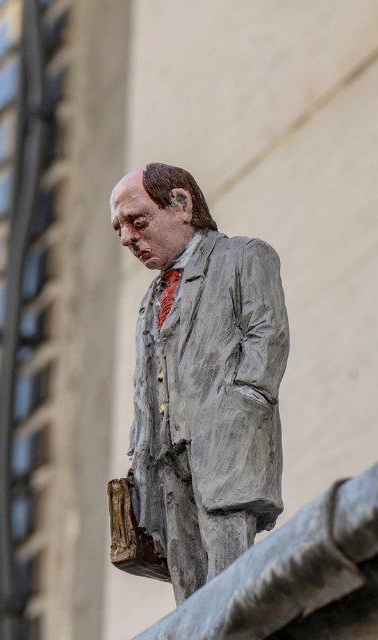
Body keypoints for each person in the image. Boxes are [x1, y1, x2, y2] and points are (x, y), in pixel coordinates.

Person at [110, 163, 289, 602]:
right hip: (165, 458)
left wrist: (242, 402)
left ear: (181, 205)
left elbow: (268, 334)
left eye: (137, 221)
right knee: (188, 591)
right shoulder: (151, 299)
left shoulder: (243, 256)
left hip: (225, 445)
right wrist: (141, 448)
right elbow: (145, 382)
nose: (128, 238)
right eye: (120, 229)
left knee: (230, 586)